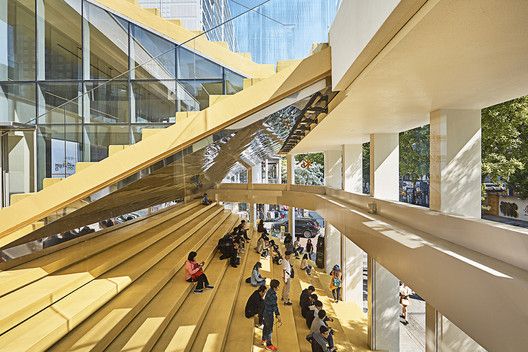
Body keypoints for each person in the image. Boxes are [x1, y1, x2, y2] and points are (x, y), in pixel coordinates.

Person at [262, 279, 282, 351]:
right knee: (269, 329)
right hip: (269, 314)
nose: (279, 287)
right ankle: (268, 344)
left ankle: (263, 339)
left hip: (265, 311)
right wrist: (278, 315)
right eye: (278, 286)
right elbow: (274, 306)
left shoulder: (269, 290)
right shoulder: (273, 295)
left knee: (266, 326)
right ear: (275, 287)